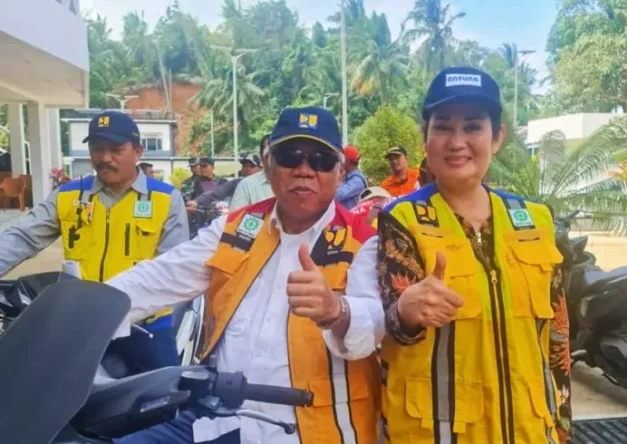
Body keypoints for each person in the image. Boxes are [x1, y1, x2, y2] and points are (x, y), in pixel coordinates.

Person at [108, 106, 383, 444]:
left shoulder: (363, 239)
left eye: (321, 160)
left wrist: (336, 311)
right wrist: (84, 309)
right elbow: (157, 278)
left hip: (314, 430)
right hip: (222, 419)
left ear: (340, 173)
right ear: (268, 166)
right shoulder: (237, 227)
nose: (304, 170)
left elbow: (375, 322)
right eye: (289, 157)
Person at [377, 67, 572, 443]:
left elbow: (558, 335)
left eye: (472, 127)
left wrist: (562, 428)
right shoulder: (401, 220)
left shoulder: (536, 220)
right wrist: (406, 311)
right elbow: (392, 326)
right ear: (426, 139)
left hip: (530, 431)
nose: (457, 141)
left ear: (496, 137)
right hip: (438, 433)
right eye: (443, 127)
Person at [0, 110, 189, 373]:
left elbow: (173, 267)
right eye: (97, 149)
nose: (105, 158)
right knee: (48, 388)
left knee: (166, 390)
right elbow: (22, 236)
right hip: (80, 322)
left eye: (116, 149)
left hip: (145, 325)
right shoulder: (68, 195)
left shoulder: (166, 199)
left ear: (137, 151)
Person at [186, 136, 268, 213]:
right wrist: (196, 202)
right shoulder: (237, 183)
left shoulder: (270, 182)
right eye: (245, 166)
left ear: (260, 168)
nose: (247, 169)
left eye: (252, 166)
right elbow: (215, 193)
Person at [335, 145, 367, 209]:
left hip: (349, 215)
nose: (340, 162)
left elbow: (336, 196)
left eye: (341, 159)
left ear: (346, 160)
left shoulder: (357, 180)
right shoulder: (347, 176)